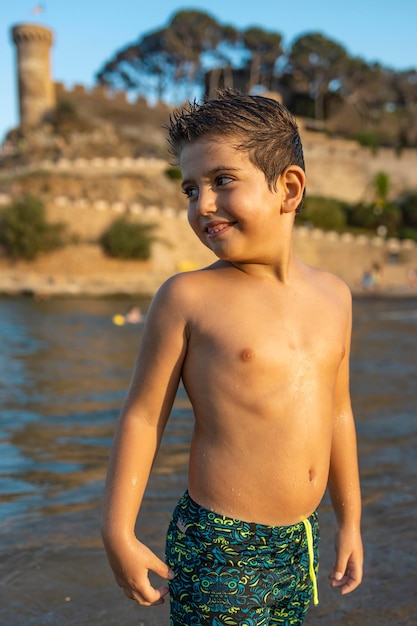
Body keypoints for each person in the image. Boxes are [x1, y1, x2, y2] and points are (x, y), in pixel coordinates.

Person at [101, 89, 363, 625]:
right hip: (222, 547)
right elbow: (144, 416)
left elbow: (338, 412)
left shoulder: (336, 296)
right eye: (191, 189)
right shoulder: (188, 298)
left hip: (300, 542)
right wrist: (117, 530)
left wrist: (350, 520)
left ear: (288, 188)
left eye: (222, 180)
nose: (203, 205)